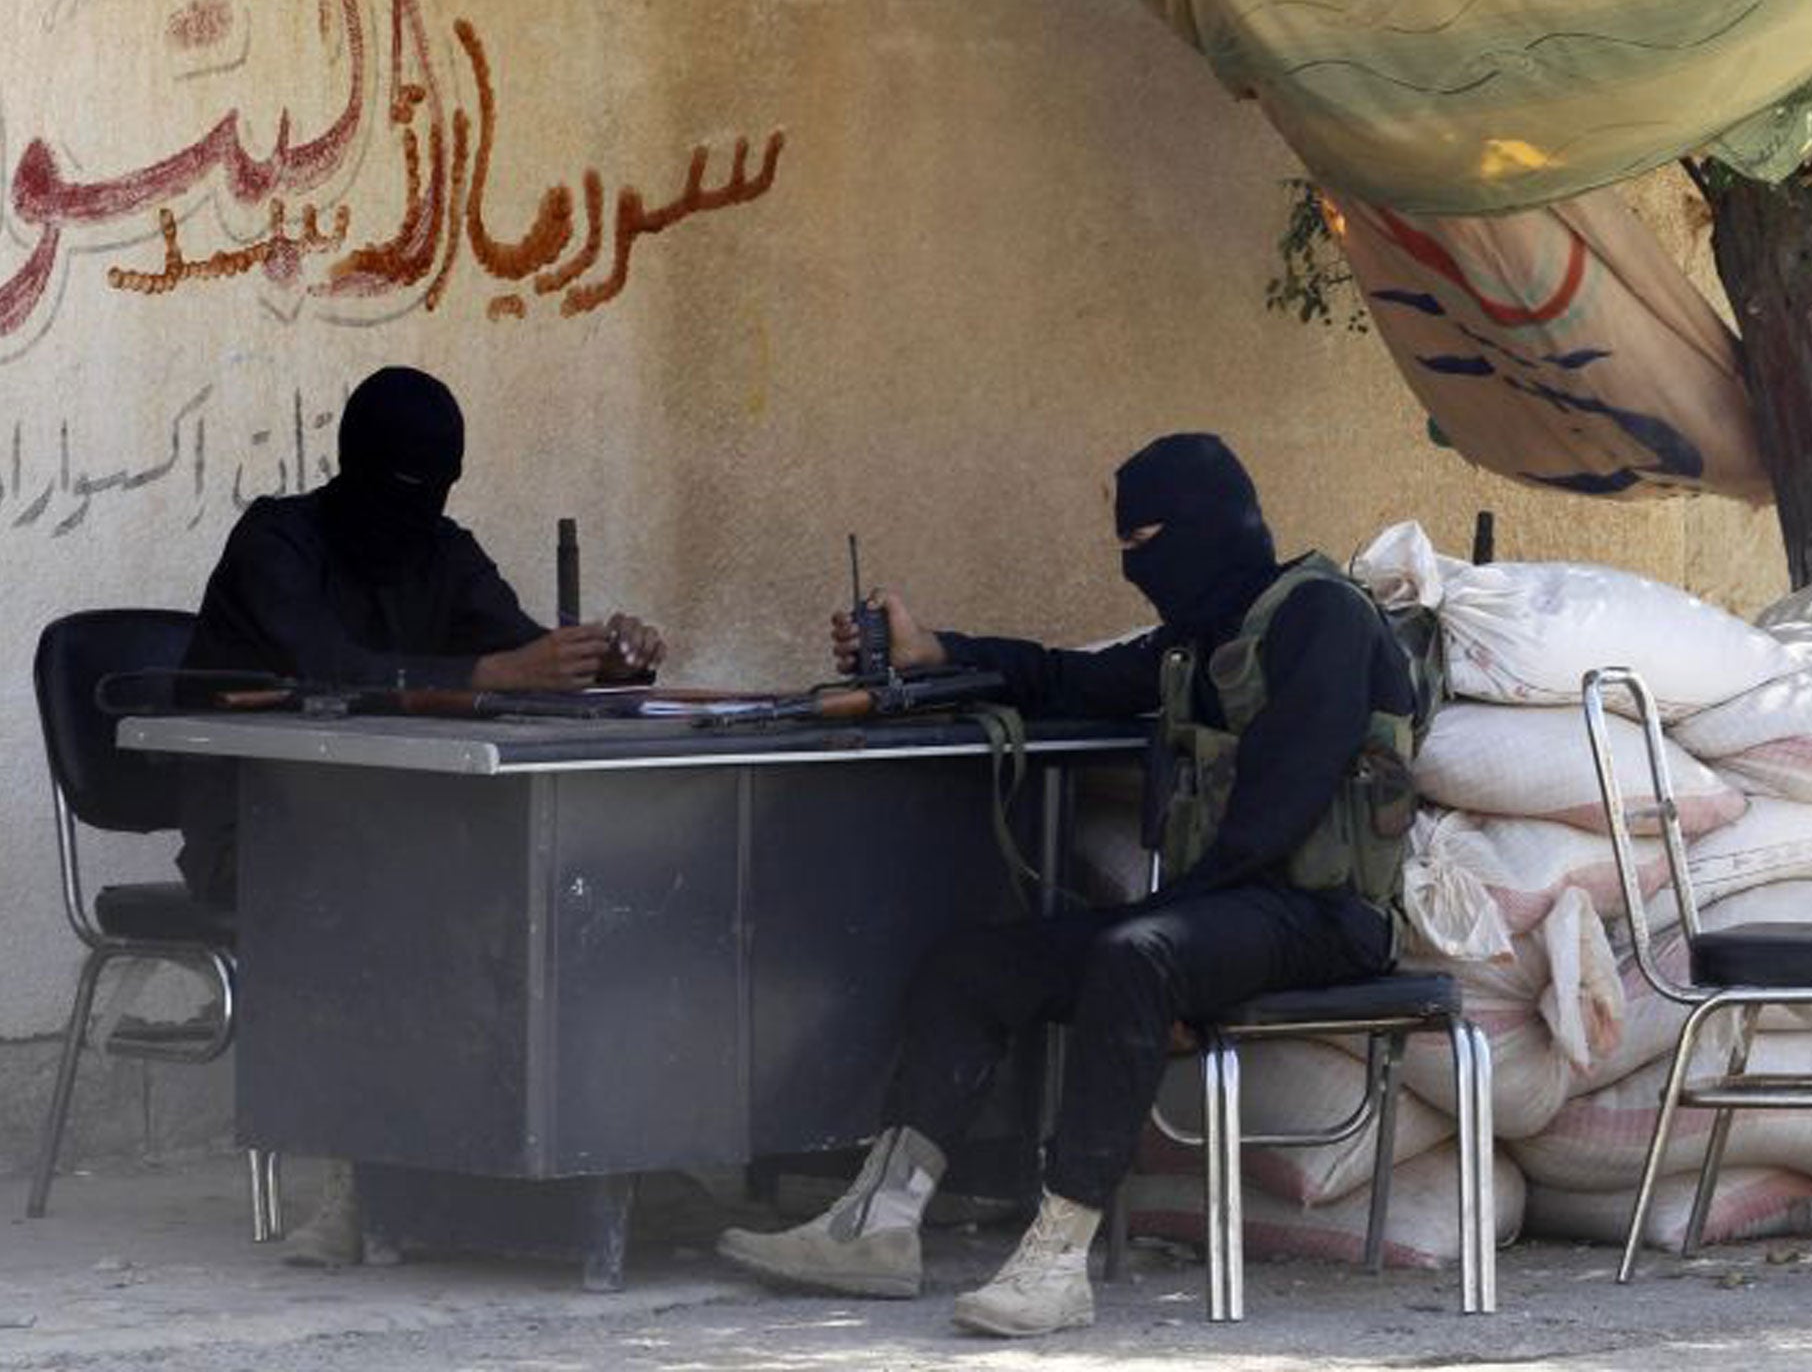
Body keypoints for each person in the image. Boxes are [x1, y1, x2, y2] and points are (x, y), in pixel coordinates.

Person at [716, 432, 1410, 1337]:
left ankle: (1056, 1260)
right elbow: (1070, 679)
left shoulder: (1323, 618)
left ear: (1207, 525)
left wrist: (1157, 926)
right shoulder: (1199, 643)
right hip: (1224, 911)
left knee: (1136, 955)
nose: (1135, 567)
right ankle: (876, 1225)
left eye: (1145, 540)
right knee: (974, 966)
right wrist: (933, 652)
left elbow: (1275, 815)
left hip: (1326, 916)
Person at [176, 364, 666, 1265]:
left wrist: (603, 661)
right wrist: (488, 675)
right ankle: (362, 1183)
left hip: (398, 830)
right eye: (398, 488)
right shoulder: (277, 544)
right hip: (258, 837)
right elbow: (325, 668)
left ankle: (494, 1173)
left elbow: (523, 657)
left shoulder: (443, 552)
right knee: (397, 901)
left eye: (432, 492)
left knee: (534, 888)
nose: (412, 511)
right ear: (351, 466)